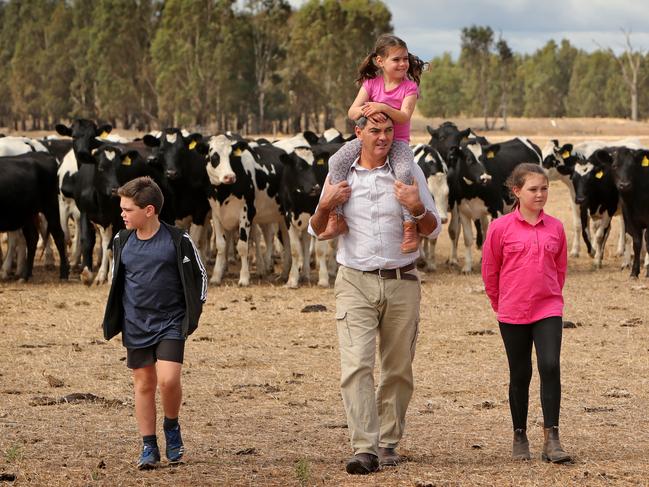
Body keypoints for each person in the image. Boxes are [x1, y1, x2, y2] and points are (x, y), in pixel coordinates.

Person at [309, 115, 441, 474]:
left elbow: (433, 228)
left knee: (398, 368)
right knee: (356, 366)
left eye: (387, 131)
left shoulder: (408, 171)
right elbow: (317, 229)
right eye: (374, 131)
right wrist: (325, 205)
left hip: (403, 279)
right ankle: (364, 448)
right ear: (358, 133)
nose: (382, 137)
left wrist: (415, 207)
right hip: (354, 280)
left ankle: (387, 442)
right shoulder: (341, 173)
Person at [102, 176, 207, 469]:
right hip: (136, 323)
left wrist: (192, 314)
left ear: (149, 210)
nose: (122, 214)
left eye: (128, 209)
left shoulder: (177, 239)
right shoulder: (121, 241)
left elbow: (200, 276)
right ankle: (149, 447)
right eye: (121, 208)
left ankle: (171, 427)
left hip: (171, 322)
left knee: (168, 379)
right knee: (144, 384)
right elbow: (117, 281)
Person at [481, 163, 571, 464]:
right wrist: (501, 303)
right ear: (516, 191)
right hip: (513, 310)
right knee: (520, 374)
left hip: (548, 308)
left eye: (544, 188)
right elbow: (490, 271)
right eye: (533, 189)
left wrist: (551, 297)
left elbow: (560, 269)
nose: (540, 194)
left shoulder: (556, 227)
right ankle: (520, 435)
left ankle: (552, 438)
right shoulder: (499, 228)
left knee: (550, 366)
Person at [317, 33, 426, 254]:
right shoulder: (371, 84)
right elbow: (352, 111)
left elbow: (404, 116)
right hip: (367, 139)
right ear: (380, 61)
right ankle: (336, 216)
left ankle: (409, 226)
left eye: (405, 59)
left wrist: (382, 107)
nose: (403, 63)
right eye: (396, 59)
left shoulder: (409, 88)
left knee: (405, 172)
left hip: (397, 143)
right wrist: (367, 109)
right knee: (336, 161)